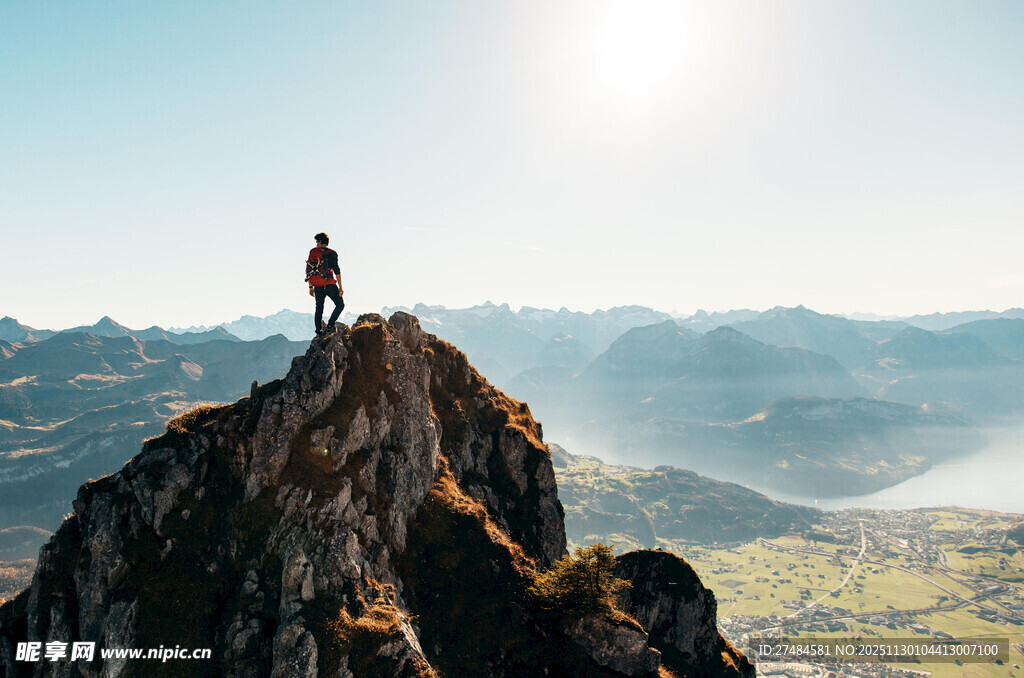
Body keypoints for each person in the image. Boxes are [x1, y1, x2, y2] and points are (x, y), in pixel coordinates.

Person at [305, 232, 344, 336]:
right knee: (340, 305)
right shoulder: (332, 253)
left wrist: (310, 286)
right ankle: (330, 326)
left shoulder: (313, 252)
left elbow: (309, 270)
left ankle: (318, 331)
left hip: (317, 286)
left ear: (321, 241)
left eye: (317, 241)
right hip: (329, 284)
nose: (316, 244)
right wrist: (340, 287)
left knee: (319, 309)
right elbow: (337, 271)